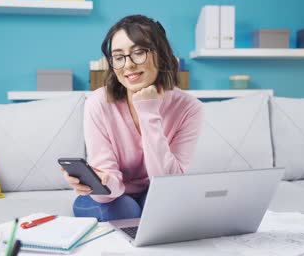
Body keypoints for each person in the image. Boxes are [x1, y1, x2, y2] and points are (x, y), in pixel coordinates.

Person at [61, 14, 204, 222]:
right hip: (110, 198)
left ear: (161, 54)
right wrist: (101, 181)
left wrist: (148, 112)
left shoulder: (189, 108)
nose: (128, 65)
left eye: (138, 53)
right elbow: (108, 189)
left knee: (166, 206)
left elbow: (168, 183)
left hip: (155, 192)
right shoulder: (98, 103)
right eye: (118, 57)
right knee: (126, 209)